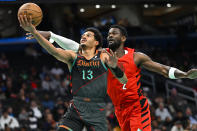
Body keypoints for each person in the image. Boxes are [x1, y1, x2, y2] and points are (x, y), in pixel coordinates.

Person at [32, 24, 197, 131]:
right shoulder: (102, 55)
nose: (110, 36)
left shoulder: (136, 57)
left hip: (137, 106)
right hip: (119, 110)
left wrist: (184, 74)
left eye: (114, 34)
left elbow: (162, 69)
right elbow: (75, 46)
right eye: (109, 34)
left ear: (123, 38)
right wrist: (52, 35)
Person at [18, 15, 127, 131]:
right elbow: (53, 50)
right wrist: (34, 32)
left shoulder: (104, 56)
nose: (84, 36)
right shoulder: (73, 56)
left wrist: (115, 68)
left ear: (96, 42)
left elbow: (124, 80)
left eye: (88, 35)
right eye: (83, 35)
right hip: (76, 108)